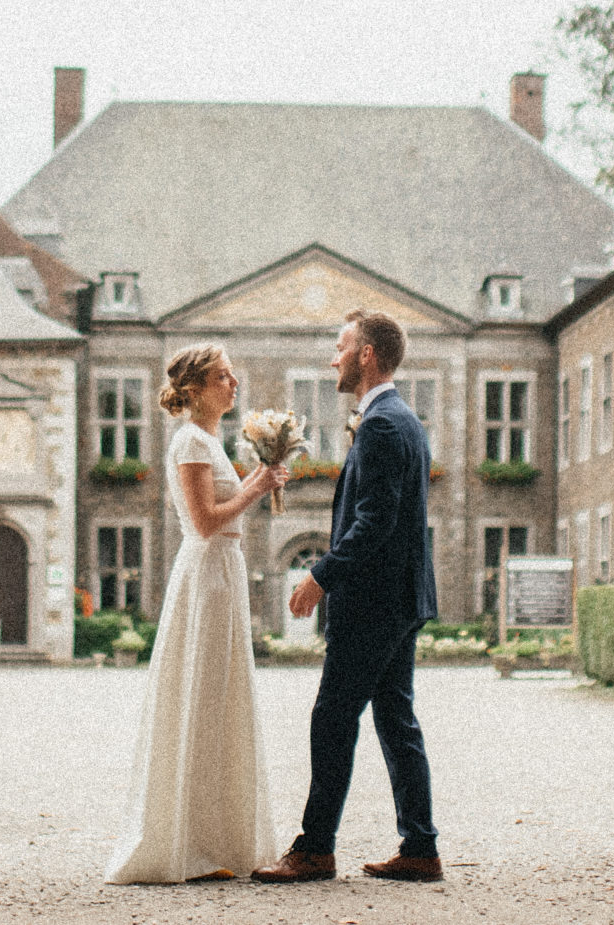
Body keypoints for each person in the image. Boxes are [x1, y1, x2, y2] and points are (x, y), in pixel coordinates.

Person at [253, 308, 442, 884]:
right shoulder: (402, 419)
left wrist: (321, 575)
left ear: (366, 354)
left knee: (332, 718)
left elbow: (375, 520)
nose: (333, 358)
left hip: (374, 603)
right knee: (396, 720)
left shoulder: (382, 424)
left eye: (341, 347)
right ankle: (420, 848)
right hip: (401, 598)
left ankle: (315, 849)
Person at [104, 343, 289, 884]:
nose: (234, 384)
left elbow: (221, 515)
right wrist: (257, 486)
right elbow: (205, 521)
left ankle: (217, 839)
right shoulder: (189, 440)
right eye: (223, 377)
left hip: (223, 570)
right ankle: (188, 845)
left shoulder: (209, 441)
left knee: (222, 699)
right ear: (197, 389)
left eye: (232, 375)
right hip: (207, 574)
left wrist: (259, 479)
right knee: (203, 697)